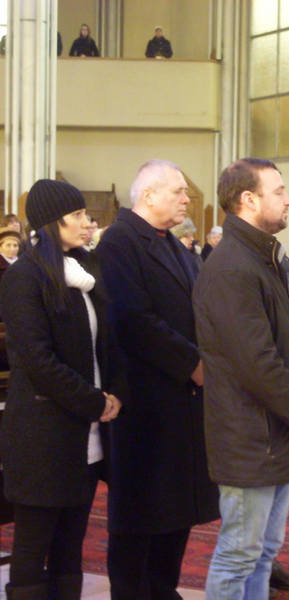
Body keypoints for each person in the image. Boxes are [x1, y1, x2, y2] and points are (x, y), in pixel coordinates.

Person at [193, 158, 289, 599]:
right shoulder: (231, 267)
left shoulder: (270, 258)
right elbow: (256, 363)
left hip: (278, 433)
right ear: (248, 200)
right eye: (278, 191)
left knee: (263, 554)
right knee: (239, 555)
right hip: (250, 438)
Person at [96, 160, 219, 600]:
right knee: (140, 515)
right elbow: (132, 318)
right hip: (144, 403)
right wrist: (192, 363)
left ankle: (164, 590)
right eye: (178, 191)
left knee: (175, 511)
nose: (187, 199)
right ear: (148, 195)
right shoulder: (119, 242)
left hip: (183, 403)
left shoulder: (178, 247)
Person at [0, 179, 124, 600]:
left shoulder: (85, 271)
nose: (88, 223)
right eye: (77, 215)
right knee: (33, 545)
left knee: (71, 543)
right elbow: (37, 360)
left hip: (85, 433)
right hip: (43, 434)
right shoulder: (24, 276)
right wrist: (94, 401)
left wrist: (115, 391)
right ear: (52, 222)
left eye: (86, 214)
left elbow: (104, 345)